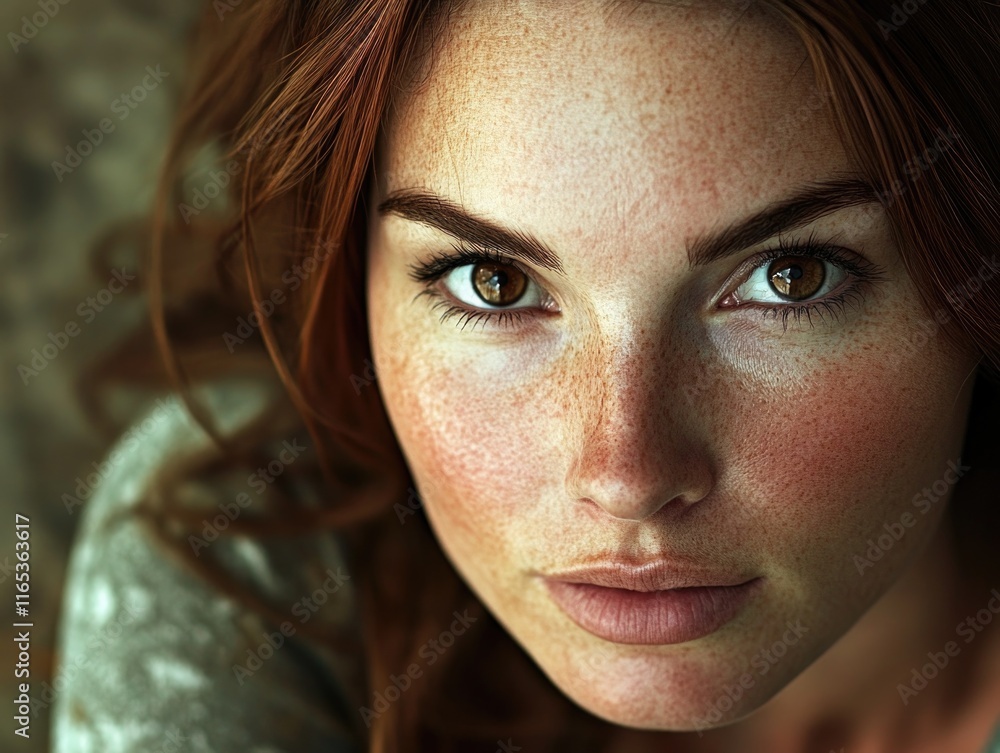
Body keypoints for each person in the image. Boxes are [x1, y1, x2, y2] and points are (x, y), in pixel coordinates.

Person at [52, 0, 1000, 751]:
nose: (625, 474)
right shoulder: (246, 527)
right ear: (350, 281)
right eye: (494, 282)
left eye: (790, 278)